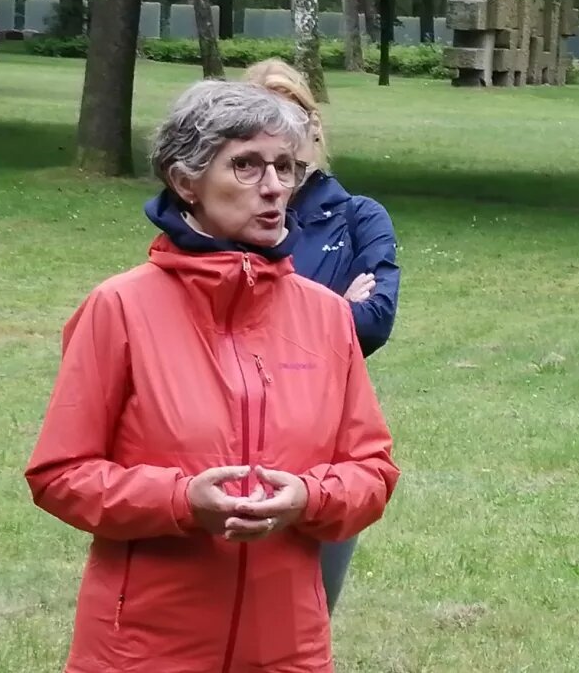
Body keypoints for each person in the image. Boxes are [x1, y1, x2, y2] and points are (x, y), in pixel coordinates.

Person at [25, 80, 399, 673]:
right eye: (246, 166)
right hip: (142, 651)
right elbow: (60, 475)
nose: (274, 187)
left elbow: (372, 472)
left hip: (287, 650)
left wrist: (307, 497)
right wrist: (179, 500)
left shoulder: (327, 317)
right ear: (185, 181)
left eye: (286, 166)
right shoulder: (119, 308)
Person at [244, 58, 400, 614]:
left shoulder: (360, 217)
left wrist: (283, 320)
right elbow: (214, 323)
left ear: (314, 127)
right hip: (229, 436)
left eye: (294, 115)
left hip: (325, 447)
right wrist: (334, 308)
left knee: (307, 616)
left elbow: (375, 322)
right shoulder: (229, 220)